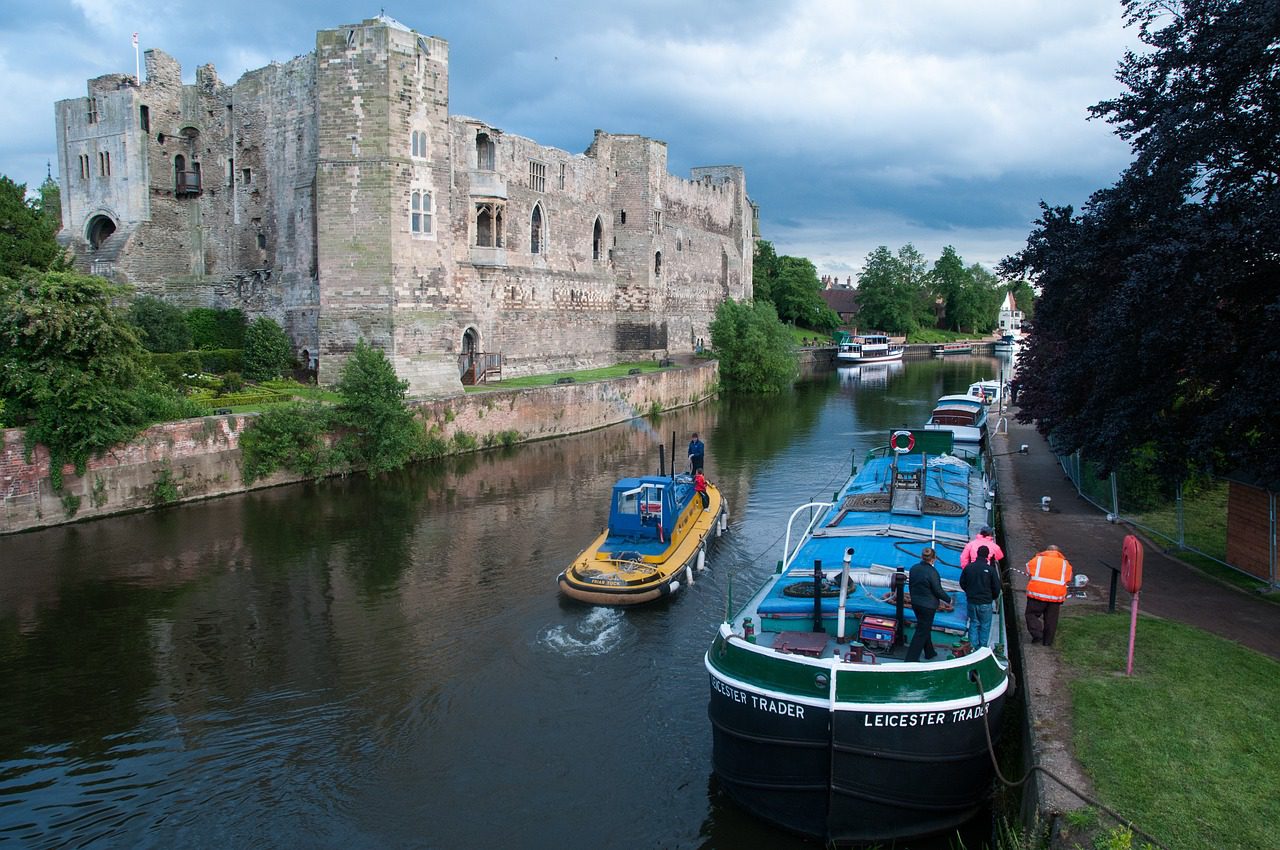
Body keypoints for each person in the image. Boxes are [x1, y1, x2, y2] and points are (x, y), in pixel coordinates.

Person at [905, 547, 952, 662]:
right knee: (922, 631)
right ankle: (911, 659)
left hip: (916, 603)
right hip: (928, 606)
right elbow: (938, 590)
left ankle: (929, 652)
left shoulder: (914, 569)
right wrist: (948, 599)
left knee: (924, 627)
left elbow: (911, 585)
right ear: (934, 559)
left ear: (921, 557)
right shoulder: (933, 572)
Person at [1025, 545, 1073, 646]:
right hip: (1055, 596)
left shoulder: (1037, 560)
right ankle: (1047, 641)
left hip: (1037, 593)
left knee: (1031, 614)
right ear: (1058, 552)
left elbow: (1028, 570)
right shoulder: (1065, 564)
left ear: (1046, 550)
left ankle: (1037, 633)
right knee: (1051, 619)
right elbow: (1068, 578)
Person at [960, 544, 1002, 649]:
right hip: (986, 602)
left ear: (977, 554)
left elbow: (962, 583)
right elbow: (996, 587)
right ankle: (982, 648)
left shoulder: (969, 568)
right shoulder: (990, 570)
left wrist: (969, 592)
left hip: (972, 601)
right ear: (987, 556)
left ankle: (972, 647)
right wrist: (992, 597)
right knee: (985, 625)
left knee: (974, 623)